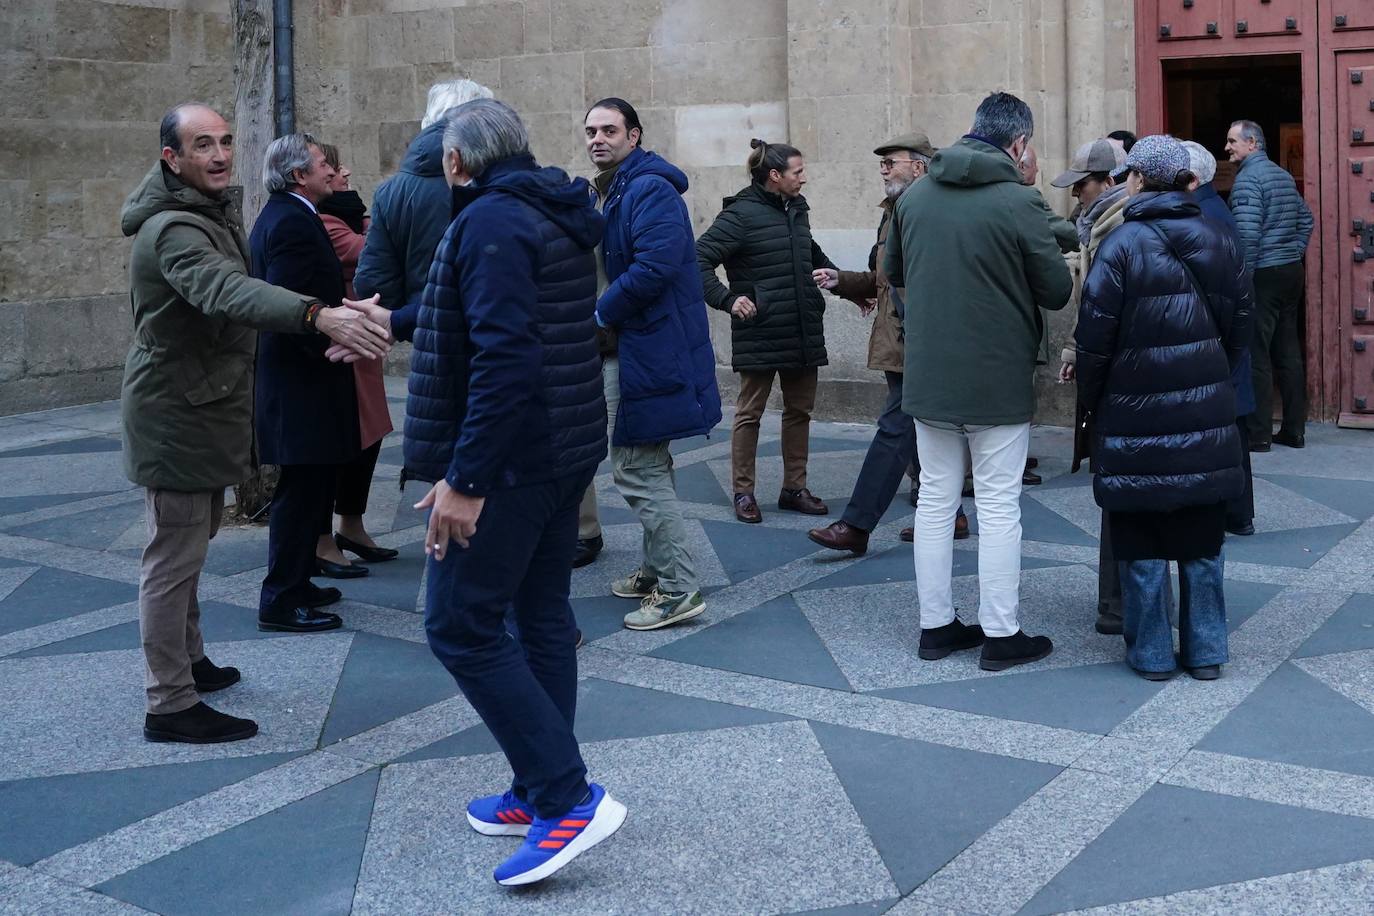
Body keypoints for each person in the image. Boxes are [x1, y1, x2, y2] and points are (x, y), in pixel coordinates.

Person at [122, 102, 391, 744]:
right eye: (202, 145)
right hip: (176, 415)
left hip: (196, 409)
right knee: (173, 556)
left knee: (187, 548)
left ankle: (189, 662)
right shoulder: (175, 231)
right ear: (172, 159)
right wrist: (316, 315)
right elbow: (226, 291)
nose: (218, 155)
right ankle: (169, 701)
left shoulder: (200, 214)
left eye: (224, 142)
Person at [406, 99, 625, 886]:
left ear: (459, 163)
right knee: (538, 617)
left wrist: (464, 480)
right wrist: (378, 318)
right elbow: (469, 309)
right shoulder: (547, 209)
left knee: (459, 625)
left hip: (513, 462)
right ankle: (540, 787)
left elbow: (503, 357)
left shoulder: (492, 221)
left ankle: (567, 795)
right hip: (561, 447)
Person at [885, 92, 1073, 670]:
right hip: (995, 375)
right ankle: (1001, 633)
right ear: (1019, 145)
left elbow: (892, 271)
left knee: (935, 500)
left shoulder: (915, 195)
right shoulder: (1018, 200)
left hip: (929, 371)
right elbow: (1056, 291)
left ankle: (935, 627)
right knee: (996, 504)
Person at [1076, 134, 1252, 681]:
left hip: (1133, 411)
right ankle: (1205, 651)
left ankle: (1151, 653)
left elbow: (1094, 340)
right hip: (1203, 409)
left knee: (1141, 533)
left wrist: (1093, 402)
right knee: (1202, 536)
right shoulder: (1221, 238)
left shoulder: (1121, 245)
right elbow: (1240, 331)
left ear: (1136, 180)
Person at [582, 98, 722, 630]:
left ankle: (679, 588)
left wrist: (600, 311)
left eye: (610, 130)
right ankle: (654, 568)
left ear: (634, 136)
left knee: (636, 468)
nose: (598, 138)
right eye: (591, 130)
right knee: (649, 462)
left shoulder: (647, 188)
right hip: (636, 345)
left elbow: (656, 266)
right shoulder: (616, 188)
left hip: (647, 348)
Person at [808, 133, 970, 554]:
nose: (883, 169)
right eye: (881, 163)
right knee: (922, 429)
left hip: (919, 339)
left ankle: (857, 525)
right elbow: (884, 279)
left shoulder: (927, 211)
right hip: (899, 337)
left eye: (891, 162)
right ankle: (950, 514)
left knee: (895, 428)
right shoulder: (894, 212)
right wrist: (842, 281)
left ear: (919, 167)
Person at [697, 139, 852, 524]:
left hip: (802, 327)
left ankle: (794, 488)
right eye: (798, 172)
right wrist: (728, 299)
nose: (804, 178)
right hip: (761, 329)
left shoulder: (796, 208)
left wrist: (843, 284)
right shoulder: (740, 215)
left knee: (799, 411)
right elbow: (696, 259)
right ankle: (743, 492)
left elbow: (808, 250)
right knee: (750, 413)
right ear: (774, 176)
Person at [252, 133, 372, 631]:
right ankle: (281, 598)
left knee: (314, 486)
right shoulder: (291, 222)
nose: (332, 170)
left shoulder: (292, 214)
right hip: (303, 381)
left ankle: (298, 581)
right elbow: (295, 306)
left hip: (306, 379)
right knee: (300, 493)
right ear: (300, 174)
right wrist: (334, 344)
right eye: (324, 163)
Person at [1054, 137, 1131, 636]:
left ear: (1109, 181)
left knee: (1124, 487)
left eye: (1081, 185)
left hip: (1125, 378)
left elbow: (1108, 312)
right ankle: (1116, 602)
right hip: (1115, 370)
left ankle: (1123, 605)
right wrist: (1073, 354)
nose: (1075, 194)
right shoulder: (1098, 226)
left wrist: (1088, 358)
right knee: (1117, 488)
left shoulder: (1120, 228)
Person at [354, 78, 494, 346]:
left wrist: (406, 316)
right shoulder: (495, 179)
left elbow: (375, 281)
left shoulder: (392, 191)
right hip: (493, 333)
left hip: (428, 333)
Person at [316, 143, 398, 574]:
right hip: (340, 343)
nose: (344, 171)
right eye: (332, 165)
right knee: (341, 441)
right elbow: (365, 250)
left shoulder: (347, 213)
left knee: (369, 437)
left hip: (361, 342)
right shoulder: (324, 220)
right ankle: (322, 537)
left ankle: (351, 524)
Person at [1225, 119, 1314, 451]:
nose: (1227, 147)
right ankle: (1294, 430)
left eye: (1233, 141)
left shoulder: (1248, 181)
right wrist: (1293, 251)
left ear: (1253, 144)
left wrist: (1242, 282)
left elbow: (1246, 238)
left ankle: (1259, 434)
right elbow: (1306, 219)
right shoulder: (1281, 175)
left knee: (1257, 353)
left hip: (1262, 274)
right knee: (1288, 351)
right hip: (1290, 271)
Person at [1184, 140, 1257, 537]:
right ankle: (1238, 511)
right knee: (1233, 433)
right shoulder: (1214, 208)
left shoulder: (1204, 215)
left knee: (1226, 433)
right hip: (1227, 343)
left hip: (1218, 341)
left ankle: (1232, 511)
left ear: (1191, 180)